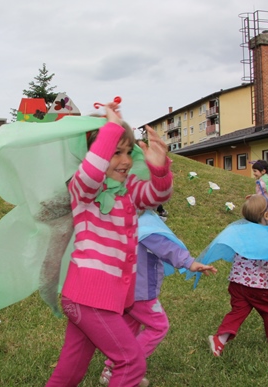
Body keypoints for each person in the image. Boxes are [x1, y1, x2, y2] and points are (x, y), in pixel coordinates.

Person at [46, 104, 173, 387]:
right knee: (130, 361)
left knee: (71, 369)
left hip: (96, 299)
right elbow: (92, 172)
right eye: (116, 152)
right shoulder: (84, 188)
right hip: (90, 298)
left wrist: (159, 167)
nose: (126, 161)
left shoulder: (127, 191)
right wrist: (111, 129)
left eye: (129, 152)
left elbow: (157, 194)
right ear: (96, 153)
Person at [99, 210, 216, 386]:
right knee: (159, 326)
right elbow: (167, 247)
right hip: (141, 293)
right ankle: (127, 367)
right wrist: (190, 263)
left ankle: (110, 368)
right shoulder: (145, 224)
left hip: (123, 289)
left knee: (129, 329)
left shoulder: (121, 217)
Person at [208, 195, 268, 357]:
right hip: (256, 286)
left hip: (236, 283)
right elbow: (261, 258)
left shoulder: (245, 232)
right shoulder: (262, 236)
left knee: (238, 312)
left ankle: (219, 339)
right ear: (265, 216)